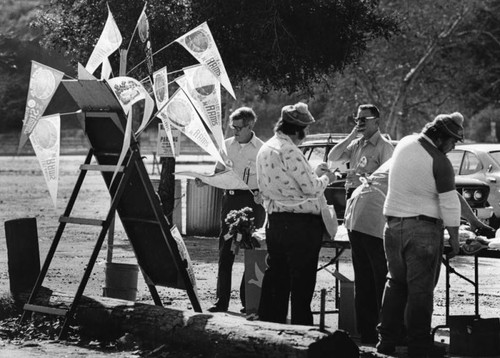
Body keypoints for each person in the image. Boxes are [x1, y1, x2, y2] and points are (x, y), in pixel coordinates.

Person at [345, 158, 493, 346]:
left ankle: (369, 336)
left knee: (366, 280)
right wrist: (473, 223)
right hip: (375, 212)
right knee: (390, 281)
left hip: (358, 210)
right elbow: (450, 196)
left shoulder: (409, 153)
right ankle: (396, 337)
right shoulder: (429, 159)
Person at [376, 112, 465, 357]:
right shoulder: (439, 160)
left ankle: (386, 341)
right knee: (420, 291)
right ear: (441, 138)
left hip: (393, 226)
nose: (454, 146)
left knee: (395, 283)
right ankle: (418, 345)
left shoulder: (404, 143)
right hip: (422, 231)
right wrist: (456, 239)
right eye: (453, 141)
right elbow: (449, 203)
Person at [256, 102, 337, 325]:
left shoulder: (267, 147)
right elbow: (310, 188)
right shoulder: (290, 149)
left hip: (275, 220)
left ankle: (271, 323)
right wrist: (328, 178)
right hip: (300, 225)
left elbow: (285, 182)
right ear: (298, 129)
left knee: (276, 275)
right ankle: (302, 329)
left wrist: (312, 172)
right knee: (301, 280)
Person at [202, 107, 266, 313]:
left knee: (252, 251)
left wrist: (262, 195)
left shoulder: (262, 149)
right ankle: (222, 301)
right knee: (225, 250)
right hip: (230, 202)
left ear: (250, 126)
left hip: (254, 203)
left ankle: (249, 301)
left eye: (239, 128)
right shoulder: (227, 146)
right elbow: (218, 172)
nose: (235, 132)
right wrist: (205, 180)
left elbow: (267, 178)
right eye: (233, 127)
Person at [328, 104, 394, 200]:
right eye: (358, 119)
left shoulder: (385, 146)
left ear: (377, 122)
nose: (360, 123)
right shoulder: (355, 144)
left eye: (364, 119)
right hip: (351, 194)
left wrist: (364, 180)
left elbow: (388, 179)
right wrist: (351, 137)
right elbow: (332, 157)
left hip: (370, 199)